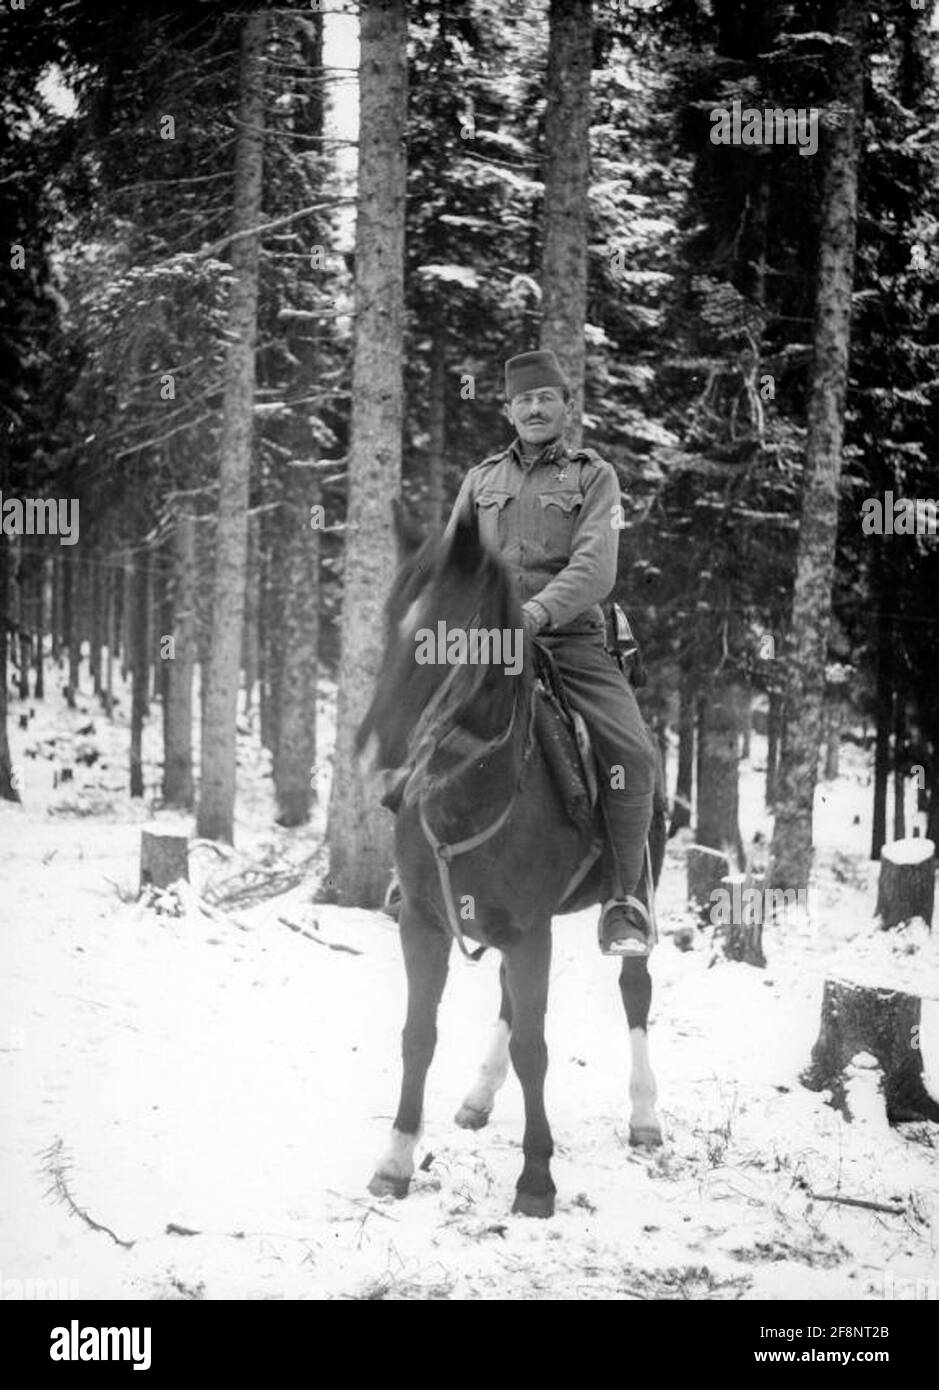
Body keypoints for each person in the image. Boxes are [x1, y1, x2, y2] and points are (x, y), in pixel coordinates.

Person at [446, 348, 658, 955]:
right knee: (416, 722)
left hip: (569, 641)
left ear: (567, 405)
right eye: (523, 400)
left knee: (632, 755)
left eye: (546, 398)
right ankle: (413, 875)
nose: (535, 408)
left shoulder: (596, 477)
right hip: (488, 644)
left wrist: (535, 614)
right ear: (508, 411)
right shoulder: (481, 480)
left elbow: (596, 568)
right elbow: (453, 564)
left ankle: (623, 899)